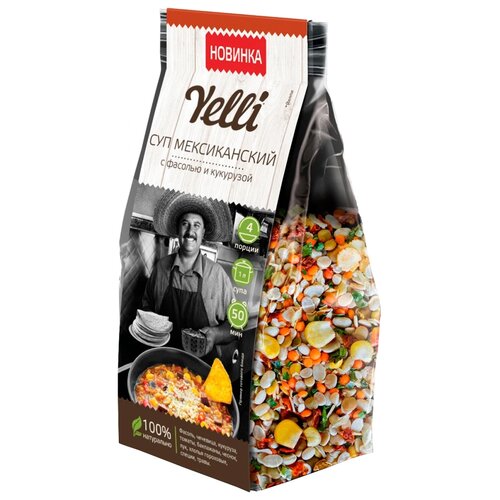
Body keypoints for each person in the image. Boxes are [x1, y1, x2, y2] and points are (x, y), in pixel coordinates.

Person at [142, 190, 235, 359]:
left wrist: (215, 335)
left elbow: (236, 326)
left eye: (197, 225)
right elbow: (146, 307)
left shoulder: (217, 275)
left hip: (201, 368)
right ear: (178, 229)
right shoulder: (161, 268)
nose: (190, 231)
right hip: (161, 363)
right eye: (185, 224)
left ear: (203, 232)